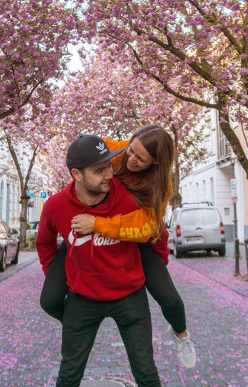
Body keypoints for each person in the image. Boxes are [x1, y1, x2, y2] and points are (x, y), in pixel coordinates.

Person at [40, 125, 196, 369]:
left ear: (155, 163)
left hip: (138, 237)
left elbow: (148, 229)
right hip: (89, 228)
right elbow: (86, 151)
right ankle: (77, 322)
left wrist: (99, 225)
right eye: (131, 150)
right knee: (49, 300)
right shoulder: (117, 151)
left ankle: (181, 335)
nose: (131, 159)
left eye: (140, 158)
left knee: (171, 300)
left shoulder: (160, 186)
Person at [36, 135, 163, 386]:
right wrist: (58, 275)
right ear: (77, 174)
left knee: (146, 372)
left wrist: (162, 260)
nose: (109, 174)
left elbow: (155, 230)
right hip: (82, 300)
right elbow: (44, 242)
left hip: (130, 296)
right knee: (69, 374)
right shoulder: (56, 206)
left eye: (109, 166)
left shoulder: (128, 198)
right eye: (99, 170)